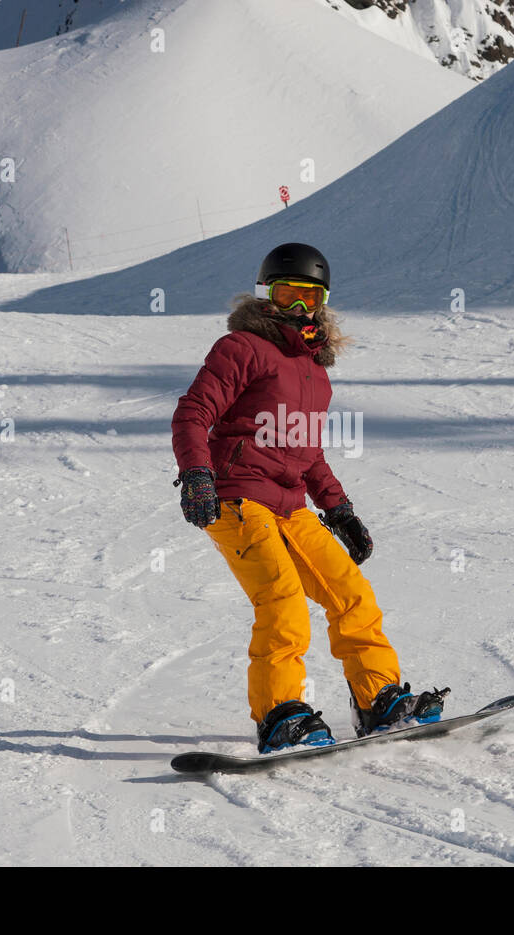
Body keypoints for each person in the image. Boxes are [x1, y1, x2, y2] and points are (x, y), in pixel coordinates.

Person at [171, 242, 448, 753]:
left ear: (322, 302)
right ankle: (280, 715)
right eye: (286, 294)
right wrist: (197, 475)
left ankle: (378, 699)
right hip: (237, 500)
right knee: (282, 603)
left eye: (308, 297)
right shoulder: (240, 349)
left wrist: (338, 508)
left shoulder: (315, 372)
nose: (297, 308)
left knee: (352, 596)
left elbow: (309, 452)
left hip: (292, 506)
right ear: (265, 295)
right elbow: (192, 414)